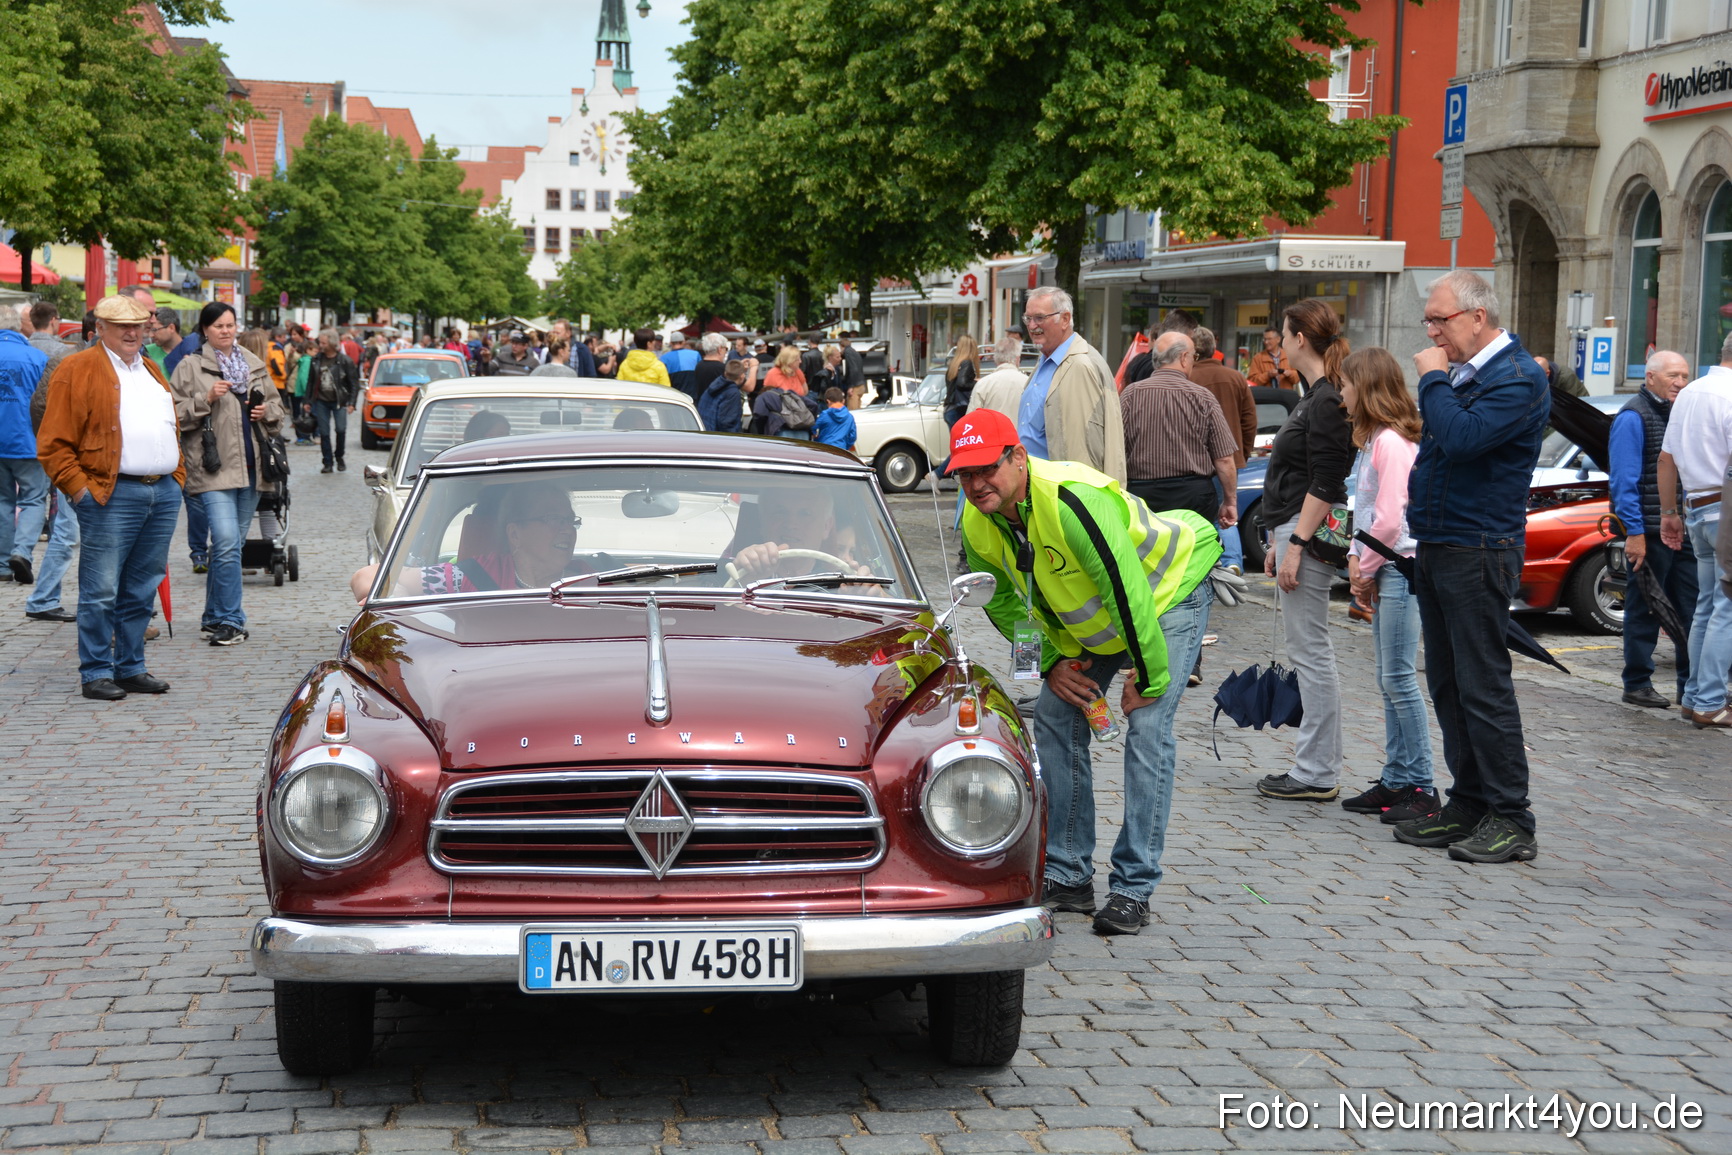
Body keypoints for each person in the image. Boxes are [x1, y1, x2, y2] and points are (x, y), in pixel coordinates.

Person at [951, 409, 1217, 935]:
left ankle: (1133, 888)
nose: (977, 483)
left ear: (1018, 459)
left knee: (1148, 728)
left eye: (988, 469)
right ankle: (1069, 874)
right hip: (1108, 617)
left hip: (1169, 594)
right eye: (964, 473)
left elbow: (1128, 593)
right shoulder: (978, 520)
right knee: (1054, 715)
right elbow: (1006, 601)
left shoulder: (1071, 502)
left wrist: (1150, 674)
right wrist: (1050, 664)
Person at [1394, 269, 1549, 862]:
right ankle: (1470, 800)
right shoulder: (1468, 374)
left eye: (1440, 320)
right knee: (1448, 682)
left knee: (1483, 685)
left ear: (1477, 317)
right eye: (1429, 321)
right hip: (1442, 543)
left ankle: (1513, 816)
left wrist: (1432, 378)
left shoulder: (1516, 378)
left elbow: (1460, 439)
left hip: (1479, 547)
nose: (1432, 332)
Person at [36, 295, 184, 701]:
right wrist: (80, 490)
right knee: (100, 589)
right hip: (109, 493)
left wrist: (176, 475)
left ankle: (130, 666)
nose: (133, 332)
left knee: (141, 586)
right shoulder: (78, 367)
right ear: (99, 328)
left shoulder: (149, 366)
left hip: (161, 490)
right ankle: (97, 670)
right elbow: (52, 444)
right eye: (122, 326)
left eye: (139, 324)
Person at [1256, 299, 1353, 803]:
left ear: (1297, 338)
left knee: (1311, 652)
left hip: (1306, 530)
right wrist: (1282, 540)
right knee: (1309, 650)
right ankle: (1316, 766)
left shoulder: (1326, 400)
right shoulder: (1316, 395)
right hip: (1295, 528)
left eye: (1285, 333)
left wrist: (1295, 543)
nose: (1281, 340)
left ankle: (1316, 770)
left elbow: (1327, 482)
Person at [1337, 346, 1439, 824]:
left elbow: (1392, 516)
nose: (1341, 392)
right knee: (1388, 678)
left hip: (1401, 567)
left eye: (1346, 384)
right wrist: (1358, 558)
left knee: (1399, 678)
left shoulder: (1391, 442)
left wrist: (1366, 566)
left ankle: (1420, 783)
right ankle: (1398, 777)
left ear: (1367, 387)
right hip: (1388, 565)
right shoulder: (1377, 438)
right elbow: (1369, 513)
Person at [170, 302, 284, 647]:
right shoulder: (189, 367)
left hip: (252, 467)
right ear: (204, 330)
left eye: (230, 325)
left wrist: (268, 411)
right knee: (226, 541)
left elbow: (279, 408)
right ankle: (233, 620)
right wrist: (204, 398)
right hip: (213, 467)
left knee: (226, 546)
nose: (225, 330)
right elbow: (174, 415)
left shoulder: (252, 364)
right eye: (218, 325)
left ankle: (213, 616)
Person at [1609, 351, 1697, 709]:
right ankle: (1637, 682)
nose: (1680, 382)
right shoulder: (1633, 416)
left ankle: (1690, 686)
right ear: (1650, 378)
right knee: (1645, 607)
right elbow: (1623, 480)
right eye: (1673, 375)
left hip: (1680, 528)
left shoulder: (1678, 413)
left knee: (1692, 607)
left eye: (1685, 376)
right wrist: (1634, 533)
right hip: (1647, 528)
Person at [1658, 332, 1732, 729]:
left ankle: (1694, 697)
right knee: (1727, 607)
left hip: (1696, 506)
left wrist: (1670, 511)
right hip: (1726, 508)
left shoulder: (1690, 393)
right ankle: (1708, 700)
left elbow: (1666, 459)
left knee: (1708, 604)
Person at [351, 481, 584, 600]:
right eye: (554, 519)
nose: (567, 530)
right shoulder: (469, 578)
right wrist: (398, 599)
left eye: (570, 520)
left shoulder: (593, 579)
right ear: (515, 534)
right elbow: (367, 576)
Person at [1120, 332, 1238, 529]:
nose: (1193, 362)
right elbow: (1224, 459)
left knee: (1149, 557)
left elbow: (1115, 449)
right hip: (1193, 498)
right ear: (1184, 358)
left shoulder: (1130, 395)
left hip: (1142, 496)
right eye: (1194, 357)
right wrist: (1230, 501)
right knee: (1194, 555)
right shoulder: (1203, 397)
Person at [1013, 287, 1126, 485]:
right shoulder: (1046, 360)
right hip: (1037, 490)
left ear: (1065, 319)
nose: (1032, 326)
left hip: (1063, 494)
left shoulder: (1080, 366)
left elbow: (1081, 449)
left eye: (1039, 318)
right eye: (1028, 318)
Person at [1188, 326, 1257, 574]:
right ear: (1213, 348)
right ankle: (1232, 562)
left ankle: (1206, 566)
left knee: (1198, 516)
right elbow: (1250, 421)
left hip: (1196, 460)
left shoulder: (1188, 377)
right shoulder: (1236, 377)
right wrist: (1243, 454)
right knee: (1227, 514)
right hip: (1229, 458)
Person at [0, 304, 50, 585]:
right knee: (32, 499)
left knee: (2, 500)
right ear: (19, 326)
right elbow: (46, 401)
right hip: (28, 440)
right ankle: (21, 552)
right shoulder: (36, 357)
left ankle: (2, 565)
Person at [307, 328, 359, 473]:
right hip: (321, 401)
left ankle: (339, 457)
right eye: (320, 342)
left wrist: (352, 403)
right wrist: (307, 401)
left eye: (323, 342)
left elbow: (354, 383)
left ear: (332, 343)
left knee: (341, 430)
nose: (320, 345)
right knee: (324, 432)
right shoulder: (316, 359)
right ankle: (327, 462)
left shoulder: (344, 361)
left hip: (340, 401)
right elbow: (310, 382)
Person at [968, 333, 1029, 419]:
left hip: (991, 431)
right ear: (1017, 358)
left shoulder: (983, 384)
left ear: (995, 358)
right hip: (1019, 432)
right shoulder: (1028, 383)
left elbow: (971, 418)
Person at [699, 359, 747, 433]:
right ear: (742, 376)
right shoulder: (732, 393)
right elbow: (727, 423)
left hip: (706, 431)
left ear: (725, 373)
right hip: (718, 438)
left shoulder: (715, 385)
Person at [943, 335, 979, 428]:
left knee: (955, 441)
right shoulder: (967, 363)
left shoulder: (954, 364)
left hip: (949, 409)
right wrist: (977, 382)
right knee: (963, 441)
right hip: (959, 409)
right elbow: (962, 383)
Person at [811, 387, 858, 452]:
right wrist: (845, 446)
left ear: (828, 401)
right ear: (843, 401)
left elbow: (813, 426)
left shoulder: (825, 415)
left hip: (824, 448)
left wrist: (816, 437)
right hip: (841, 449)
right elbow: (853, 436)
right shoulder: (850, 417)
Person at [661, 331, 701, 401]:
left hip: (673, 396)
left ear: (671, 343)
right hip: (692, 396)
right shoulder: (695, 354)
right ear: (684, 342)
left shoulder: (664, 358)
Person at [837, 331, 867, 409]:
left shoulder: (848, 353)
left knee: (853, 410)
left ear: (842, 346)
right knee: (858, 409)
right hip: (861, 384)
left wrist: (851, 386)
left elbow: (853, 369)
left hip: (855, 386)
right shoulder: (855, 352)